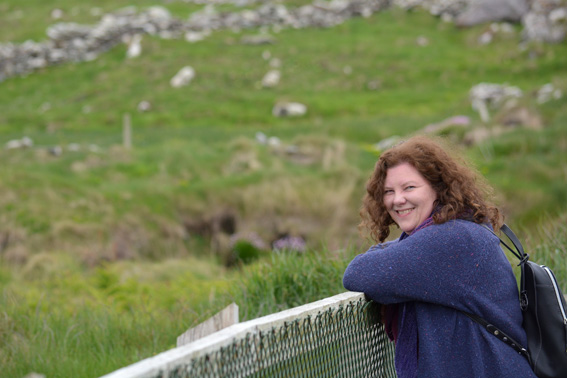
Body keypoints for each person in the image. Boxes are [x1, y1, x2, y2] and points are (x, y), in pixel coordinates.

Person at [343, 136, 535, 378]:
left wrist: (384, 251)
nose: (397, 199)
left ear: (438, 188)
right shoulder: (459, 229)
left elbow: (358, 273)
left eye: (409, 187)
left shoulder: (451, 238)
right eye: (388, 191)